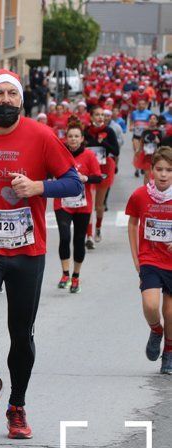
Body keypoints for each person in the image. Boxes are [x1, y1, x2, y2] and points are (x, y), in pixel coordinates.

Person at [0, 70, 81, 440]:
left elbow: (72, 180)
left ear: (21, 100)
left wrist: (40, 186)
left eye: (11, 94)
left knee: (21, 333)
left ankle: (17, 405)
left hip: (27, 248)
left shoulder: (41, 137)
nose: (5, 100)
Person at [126, 146, 172, 375]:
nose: (163, 174)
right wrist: (137, 259)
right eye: (159, 169)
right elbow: (133, 225)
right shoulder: (140, 195)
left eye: (169, 170)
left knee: (171, 312)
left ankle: (169, 352)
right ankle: (156, 330)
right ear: (151, 170)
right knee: (151, 304)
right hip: (150, 258)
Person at [54, 119, 102, 294]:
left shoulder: (89, 156)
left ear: (82, 139)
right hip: (63, 203)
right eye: (70, 136)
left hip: (83, 204)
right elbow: (50, 171)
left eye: (76, 136)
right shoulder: (60, 153)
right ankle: (65, 274)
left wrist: (86, 178)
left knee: (78, 240)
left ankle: (76, 276)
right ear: (66, 138)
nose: (73, 139)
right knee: (65, 237)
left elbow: (98, 177)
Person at [84, 108, 120, 249]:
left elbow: (116, 151)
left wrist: (103, 142)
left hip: (105, 168)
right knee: (89, 204)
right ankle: (89, 236)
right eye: (97, 114)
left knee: (99, 205)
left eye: (102, 115)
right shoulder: (87, 131)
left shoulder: (109, 131)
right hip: (89, 169)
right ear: (92, 116)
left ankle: (98, 227)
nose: (100, 117)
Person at [136, 114, 164, 185]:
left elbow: (162, 144)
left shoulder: (160, 132)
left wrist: (158, 141)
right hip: (146, 155)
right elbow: (142, 141)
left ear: (157, 121)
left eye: (154, 119)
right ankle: (146, 190)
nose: (152, 120)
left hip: (156, 156)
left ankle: (154, 189)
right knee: (147, 174)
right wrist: (139, 150)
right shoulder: (145, 131)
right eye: (150, 119)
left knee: (154, 174)